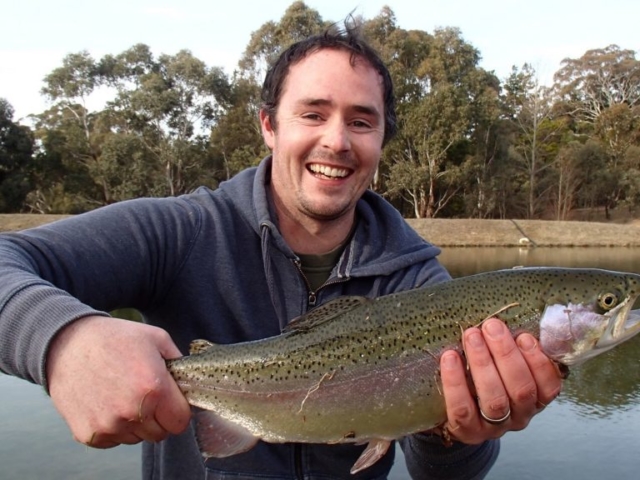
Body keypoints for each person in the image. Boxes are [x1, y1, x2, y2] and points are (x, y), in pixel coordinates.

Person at [0, 24, 561, 480]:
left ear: (381, 141)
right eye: (313, 114)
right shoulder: (182, 230)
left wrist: (460, 431)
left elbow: (440, 475)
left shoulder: (420, 284)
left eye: (361, 122)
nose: (337, 141)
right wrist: (62, 339)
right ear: (269, 126)